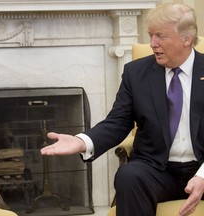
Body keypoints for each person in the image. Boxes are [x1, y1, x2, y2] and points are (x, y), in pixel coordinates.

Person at [41, 3, 204, 216]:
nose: (152, 43)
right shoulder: (136, 73)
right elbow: (118, 122)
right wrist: (82, 141)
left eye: (160, 36)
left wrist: (202, 177)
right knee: (129, 176)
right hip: (157, 170)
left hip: (202, 167)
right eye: (150, 35)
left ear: (186, 38)